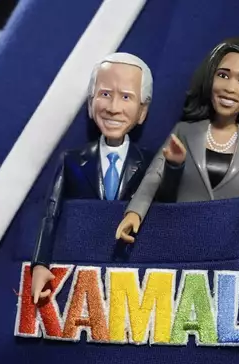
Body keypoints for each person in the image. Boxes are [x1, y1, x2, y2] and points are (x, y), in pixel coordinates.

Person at [115, 37, 239, 279]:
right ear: (209, 77)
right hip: (177, 243)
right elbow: (154, 175)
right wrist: (134, 213)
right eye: (223, 75)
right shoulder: (185, 131)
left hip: (224, 251)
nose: (231, 88)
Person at [30, 52, 154, 302]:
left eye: (127, 97)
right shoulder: (71, 160)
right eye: (105, 94)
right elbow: (50, 213)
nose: (113, 107)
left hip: (132, 277)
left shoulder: (152, 164)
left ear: (142, 111)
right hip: (81, 273)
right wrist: (40, 263)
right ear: (90, 102)